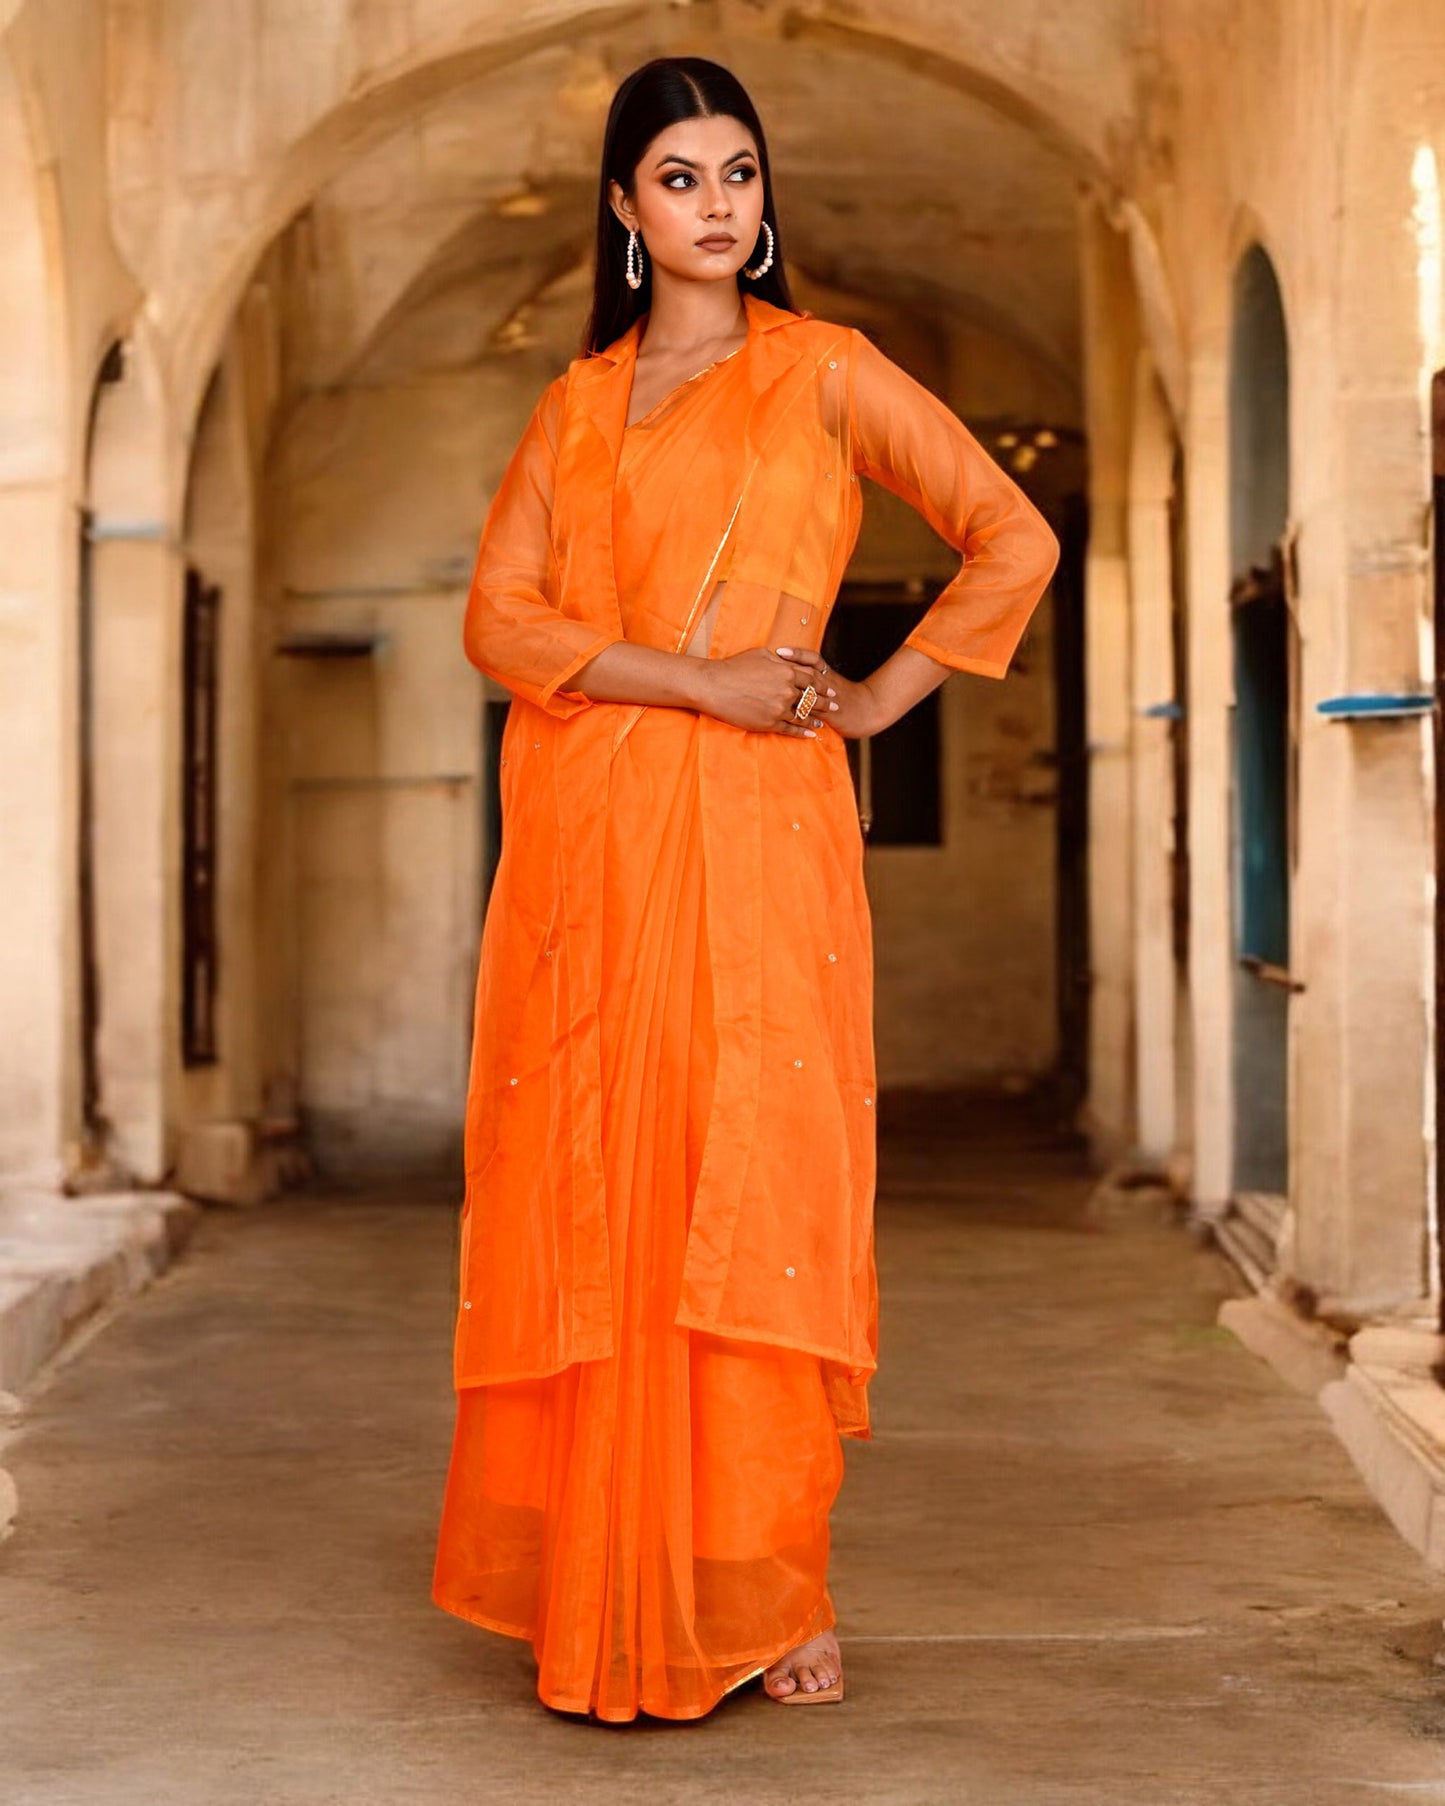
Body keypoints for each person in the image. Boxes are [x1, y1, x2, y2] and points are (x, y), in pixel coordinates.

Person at [431, 54, 1060, 1723]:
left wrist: (873, 697)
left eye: (739, 173)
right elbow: (500, 621)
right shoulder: (571, 408)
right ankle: (602, 1563)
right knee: (602, 1187)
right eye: (681, 178)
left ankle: (773, 1578)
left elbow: (1010, 535)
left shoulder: (826, 374)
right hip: (590, 846)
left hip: (761, 835)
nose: (719, 204)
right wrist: (687, 680)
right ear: (626, 213)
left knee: (748, 1189)